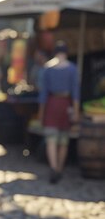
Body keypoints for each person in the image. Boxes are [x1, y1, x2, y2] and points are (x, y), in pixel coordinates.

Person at [38, 41, 80, 184]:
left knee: (51, 139)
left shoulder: (48, 68)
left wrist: (41, 113)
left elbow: (43, 94)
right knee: (63, 141)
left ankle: (54, 167)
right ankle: (59, 168)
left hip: (51, 104)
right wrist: (75, 111)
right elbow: (75, 94)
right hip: (65, 104)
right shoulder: (72, 69)